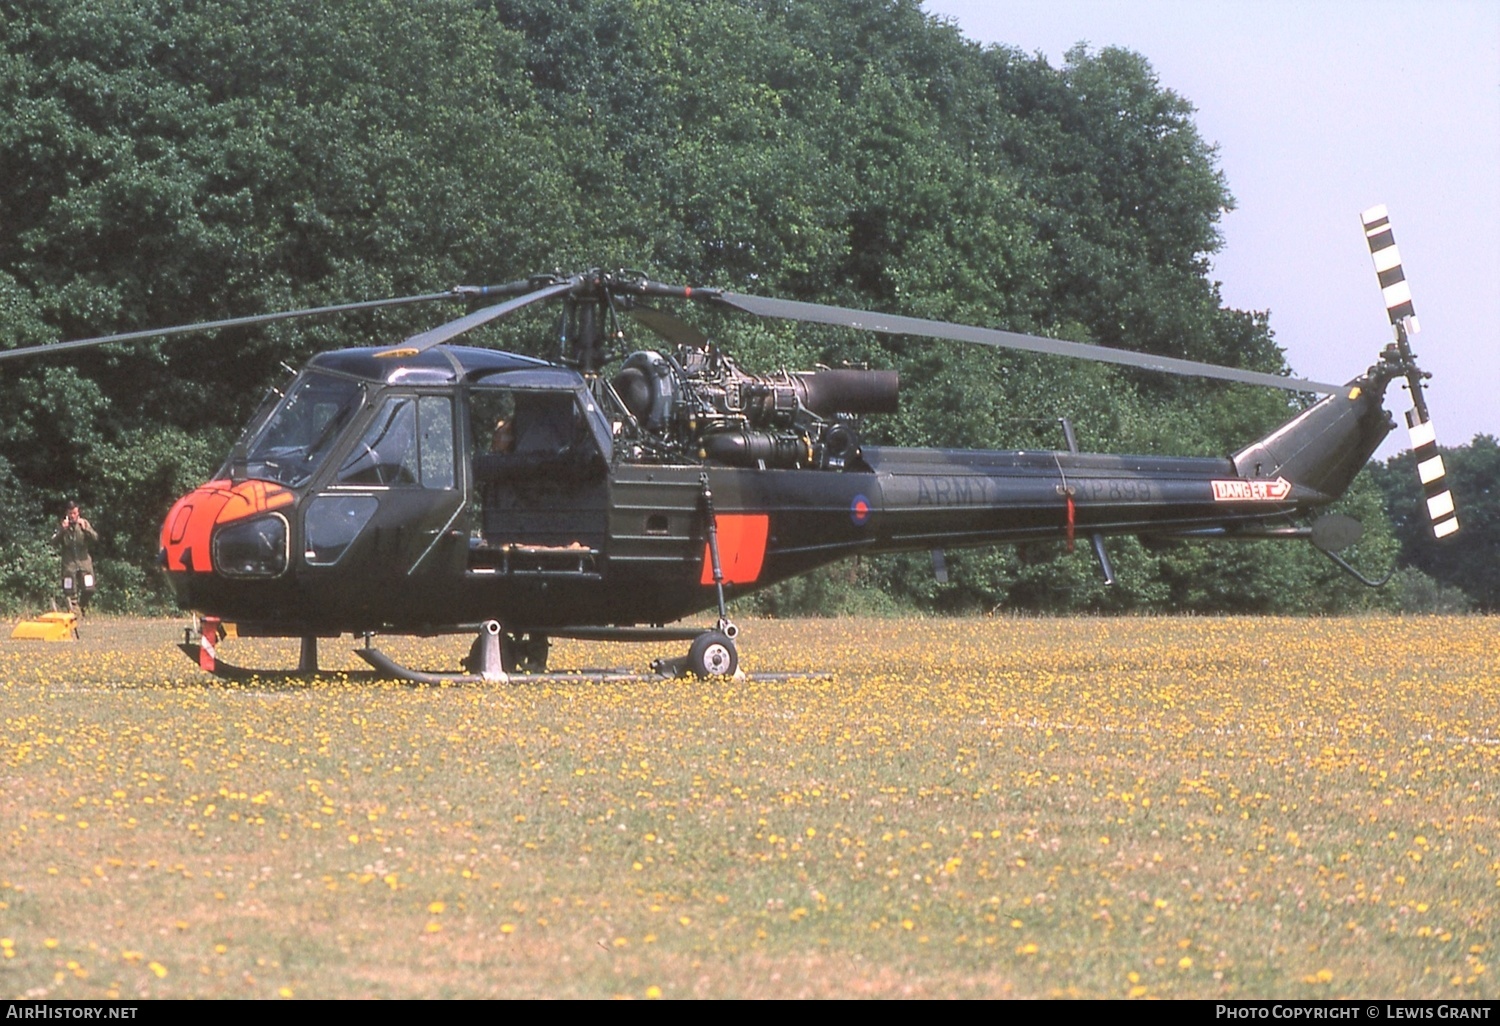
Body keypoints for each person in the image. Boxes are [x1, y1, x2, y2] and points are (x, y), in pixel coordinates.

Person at [52, 501, 99, 614]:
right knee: (69, 590)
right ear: (67, 513)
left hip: (84, 562)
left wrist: (86, 529)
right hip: (69, 563)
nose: (72, 516)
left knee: (89, 588)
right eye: (70, 513)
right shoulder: (63, 526)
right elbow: (53, 541)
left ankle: (82, 606)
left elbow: (95, 538)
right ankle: (73, 612)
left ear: (78, 513)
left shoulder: (84, 524)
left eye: (74, 513)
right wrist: (62, 530)